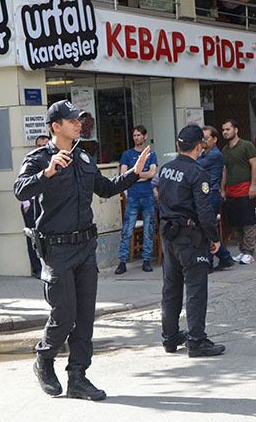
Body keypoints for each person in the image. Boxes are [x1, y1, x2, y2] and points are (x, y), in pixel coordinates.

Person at [14, 100, 151, 401]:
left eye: (80, 120)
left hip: (86, 247)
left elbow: (104, 188)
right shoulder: (39, 159)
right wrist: (46, 174)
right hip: (57, 250)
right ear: (56, 126)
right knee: (64, 314)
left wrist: (134, 174)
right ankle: (44, 359)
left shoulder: (84, 158)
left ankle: (78, 376)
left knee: (85, 317)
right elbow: (20, 190)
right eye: (73, 120)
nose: (79, 124)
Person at [158, 124, 226, 358]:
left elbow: (159, 197)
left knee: (171, 288)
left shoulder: (165, 169)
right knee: (196, 289)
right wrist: (214, 238)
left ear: (178, 145)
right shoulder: (198, 173)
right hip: (190, 237)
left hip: (169, 236)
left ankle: (169, 337)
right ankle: (196, 341)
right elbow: (205, 211)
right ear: (199, 146)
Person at [116, 125, 158, 274]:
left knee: (148, 228)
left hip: (147, 195)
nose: (137, 138)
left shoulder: (151, 154)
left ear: (145, 136)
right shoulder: (127, 154)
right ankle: (122, 261)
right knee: (127, 229)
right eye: (134, 135)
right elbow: (123, 175)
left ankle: (146, 260)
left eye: (139, 135)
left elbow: (152, 173)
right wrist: (139, 175)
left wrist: (134, 176)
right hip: (133, 197)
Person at [197, 125, 234, 271]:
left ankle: (209, 262)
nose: (203, 141)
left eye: (206, 138)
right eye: (202, 138)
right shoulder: (204, 154)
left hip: (212, 195)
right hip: (207, 195)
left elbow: (195, 165)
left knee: (207, 228)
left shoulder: (214, 155)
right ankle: (225, 257)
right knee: (208, 228)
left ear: (215, 139)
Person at [221, 119, 256, 264]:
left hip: (245, 188)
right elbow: (224, 170)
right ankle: (242, 250)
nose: (225, 132)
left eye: (228, 129)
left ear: (236, 130)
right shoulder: (224, 150)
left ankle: (249, 252)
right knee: (236, 222)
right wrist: (222, 189)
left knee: (247, 221)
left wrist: (253, 185)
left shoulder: (247, 145)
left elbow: (254, 164)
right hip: (231, 190)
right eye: (223, 130)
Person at [21, 135, 50, 279]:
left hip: (47, 203)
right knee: (33, 238)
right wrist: (26, 204)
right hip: (31, 204)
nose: (42, 147)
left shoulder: (53, 161)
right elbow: (22, 183)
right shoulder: (31, 161)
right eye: (39, 145)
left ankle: (47, 267)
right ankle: (37, 268)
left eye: (45, 144)